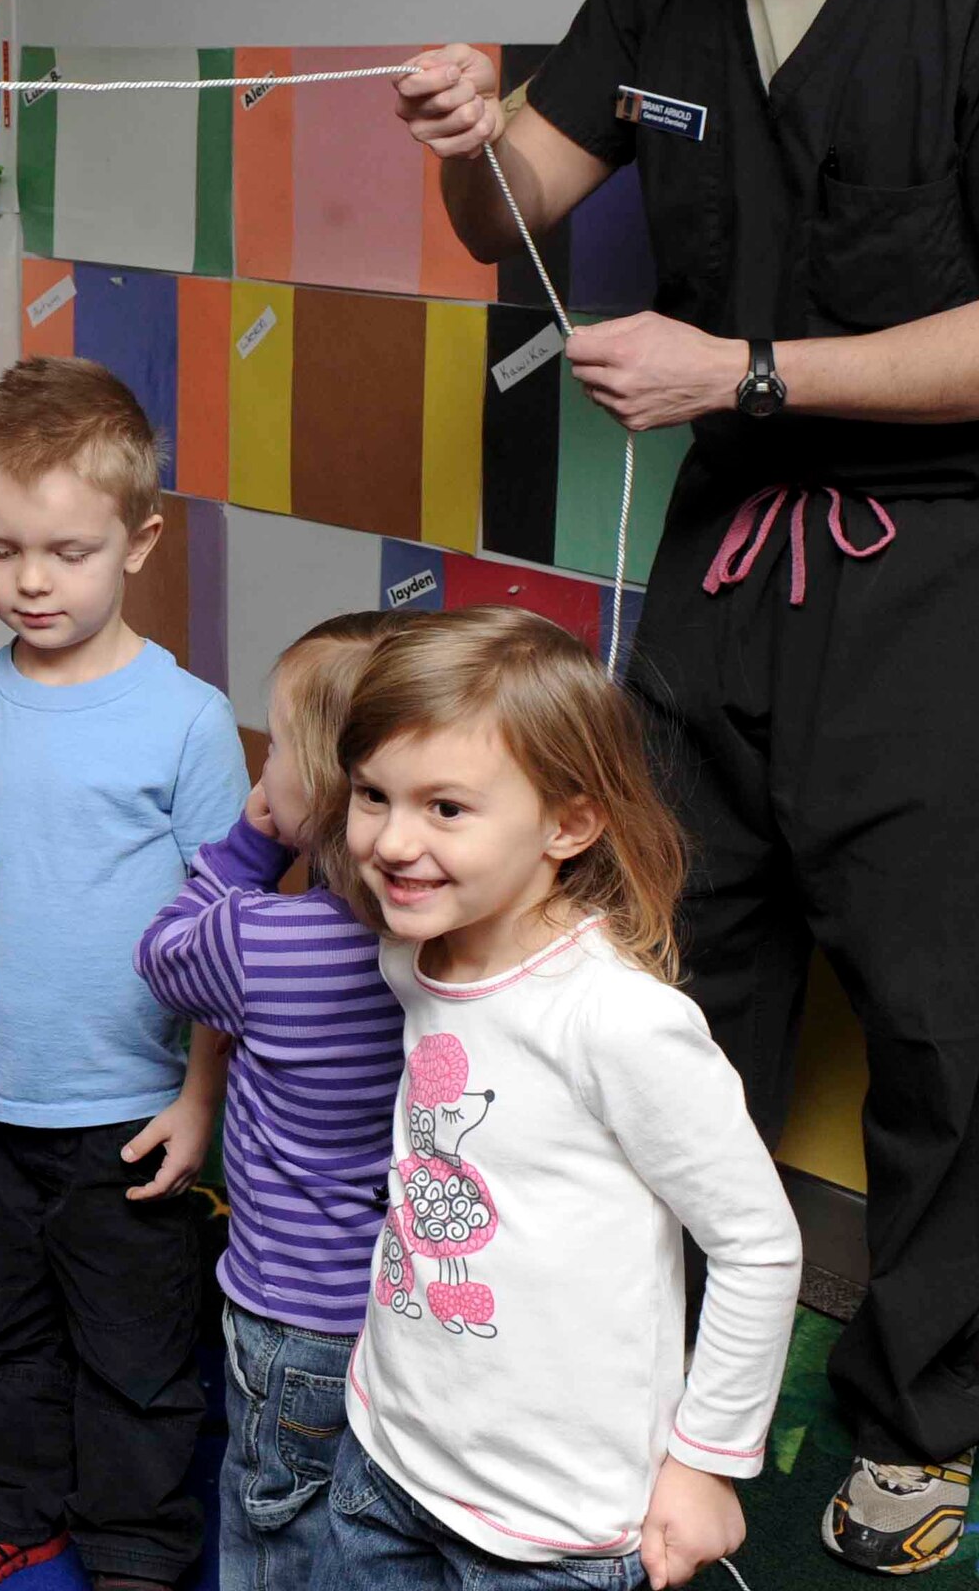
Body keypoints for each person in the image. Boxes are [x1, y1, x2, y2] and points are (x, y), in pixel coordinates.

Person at [393, 0, 979, 1566]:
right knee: (669, 973)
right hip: (725, 566)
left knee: (929, 1022)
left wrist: (746, 367)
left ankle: (909, 1410)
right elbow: (517, 222)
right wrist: (472, 139)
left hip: (940, 571)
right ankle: (639, 1372)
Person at [311, 606, 801, 1591]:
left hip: (556, 1522)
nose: (393, 839)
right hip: (385, 1454)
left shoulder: (620, 1021)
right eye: (373, 793)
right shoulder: (413, 950)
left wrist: (705, 1459)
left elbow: (756, 1242)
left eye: (446, 806)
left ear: (568, 822)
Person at [0, 355, 250, 1591]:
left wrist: (199, 1097)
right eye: (1, 549)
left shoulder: (188, 718)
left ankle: (139, 1546)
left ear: (140, 539)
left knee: (138, 1347)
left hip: (129, 1110)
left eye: (66, 549)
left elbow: (223, 929)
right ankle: (12, 1500)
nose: (30, 580)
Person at [136, 610, 408, 1589]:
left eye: (275, 750)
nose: (261, 768)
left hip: (290, 1311)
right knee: (373, 1524)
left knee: (273, 1527)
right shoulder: (448, 951)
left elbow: (163, 953)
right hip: (408, 1309)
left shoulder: (262, 941)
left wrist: (246, 848)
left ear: (330, 788)